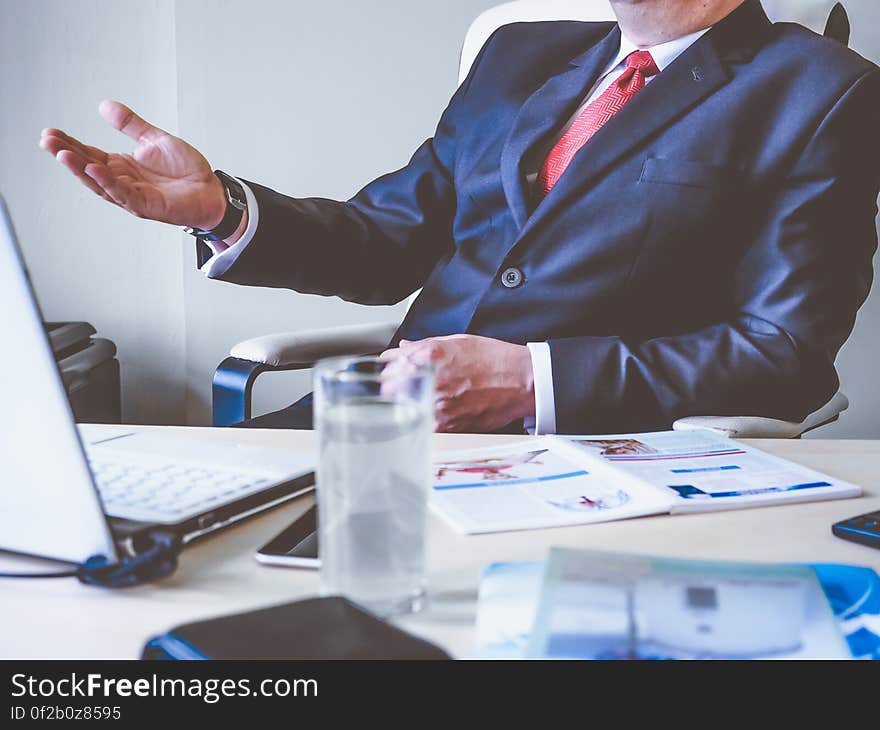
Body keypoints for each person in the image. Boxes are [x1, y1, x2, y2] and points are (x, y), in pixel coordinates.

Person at [40, 0, 880, 434]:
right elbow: (386, 242)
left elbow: (785, 353)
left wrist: (530, 383)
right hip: (377, 425)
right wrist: (224, 209)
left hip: (590, 456)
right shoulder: (522, 52)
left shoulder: (823, 89)